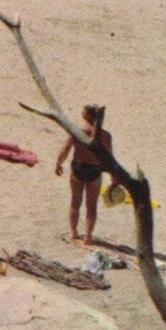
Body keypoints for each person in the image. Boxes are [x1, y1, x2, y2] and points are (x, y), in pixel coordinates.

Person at [54, 105, 116, 246]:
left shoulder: (77, 132)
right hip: (95, 169)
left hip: (79, 167)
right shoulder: (105, 135)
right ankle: (88, 236)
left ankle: (73, 232)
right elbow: (110, 157)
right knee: (91, 205)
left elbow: (66, 149)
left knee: (75, 202)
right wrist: (113, 175)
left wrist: (58, 163)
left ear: (85, 116)